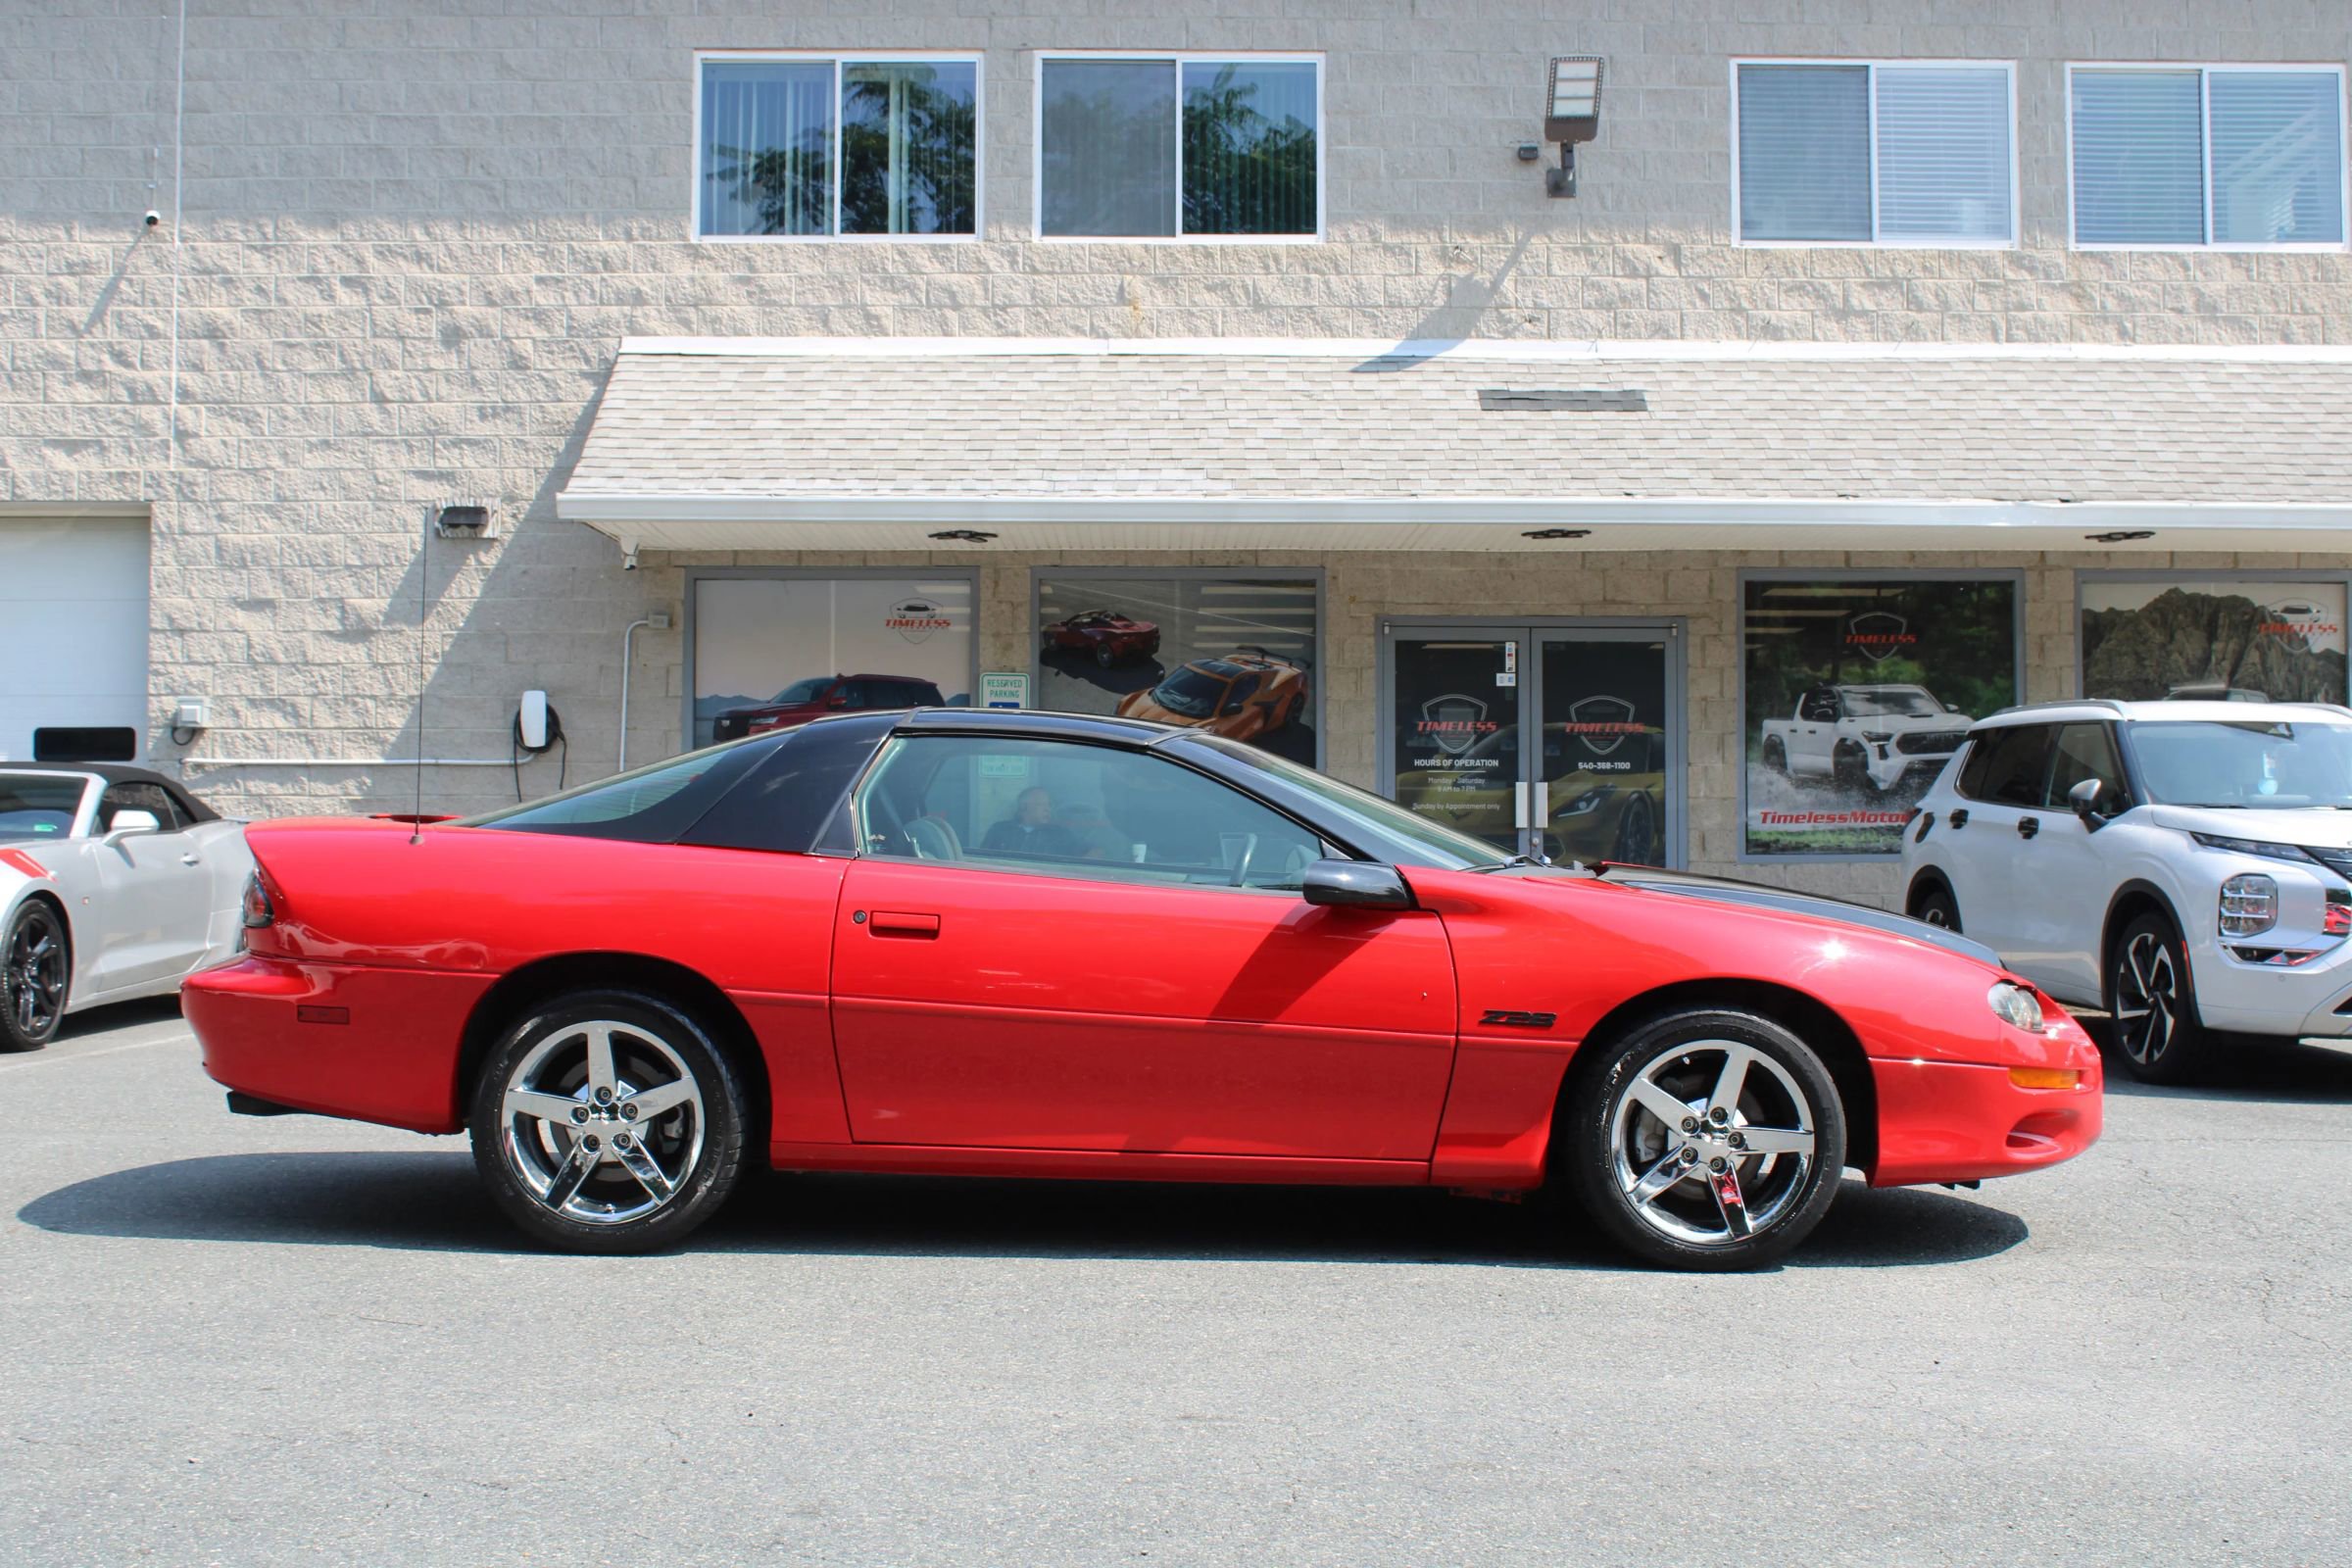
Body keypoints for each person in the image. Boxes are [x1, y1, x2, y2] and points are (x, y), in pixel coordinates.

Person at [981, 787, 1082, 859]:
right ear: (1023, 807)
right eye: (1041, 804)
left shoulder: (1060, 834)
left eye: (1049, 805)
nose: (1047, 809)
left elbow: (1093, 852)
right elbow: (981, 860)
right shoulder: (1000, 830)